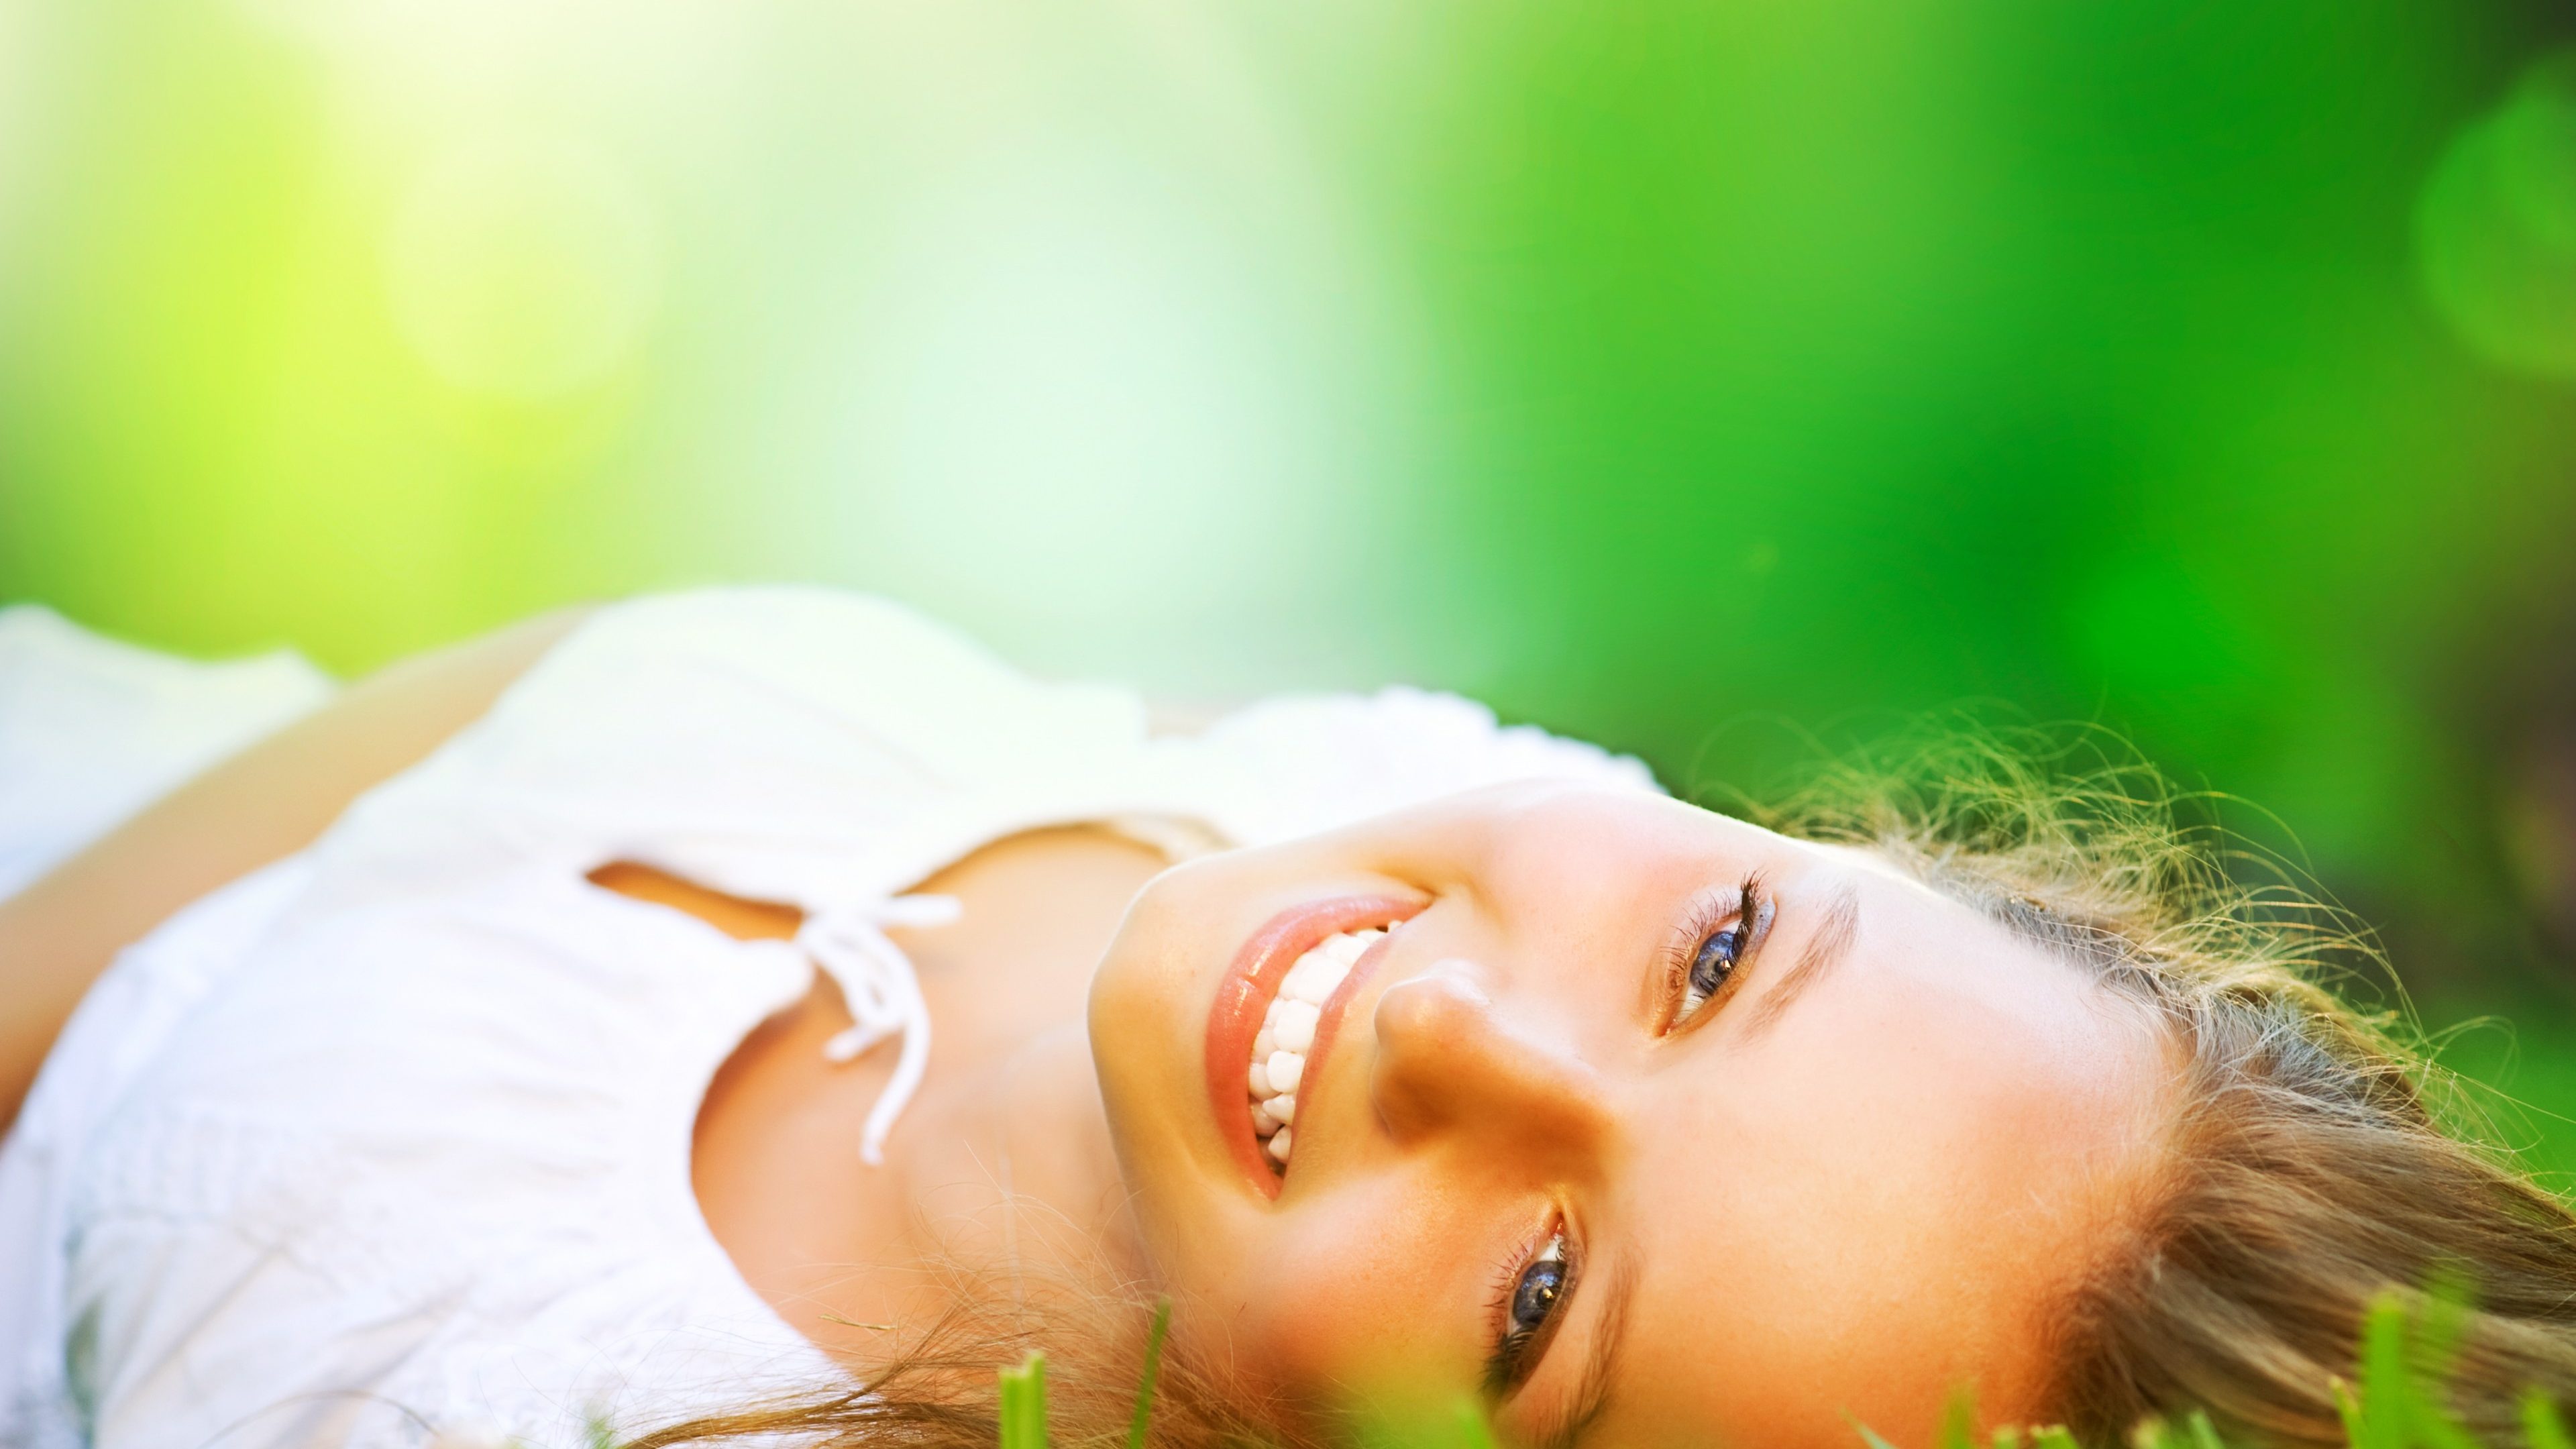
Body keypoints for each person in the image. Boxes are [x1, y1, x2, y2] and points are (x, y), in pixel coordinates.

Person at [2, 588, 2572, 1449]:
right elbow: (527, 709)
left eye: (1545, 1300)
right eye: (1716, 961)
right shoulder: (1408, 791)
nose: (1460, 1027)